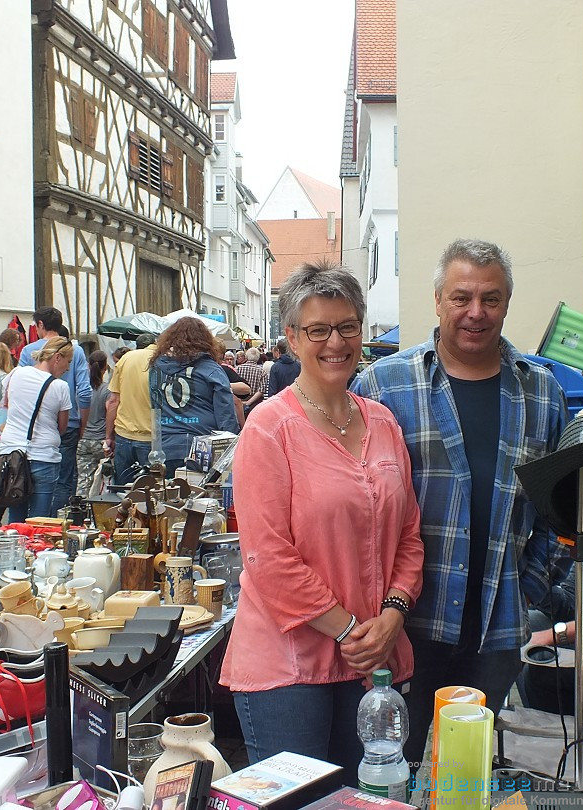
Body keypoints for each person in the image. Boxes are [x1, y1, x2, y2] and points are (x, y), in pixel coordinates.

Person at [352, 238, 568, 767]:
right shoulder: (383, 385)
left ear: (507, 303)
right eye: (461, 297)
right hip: (405, 622)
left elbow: (559, 507)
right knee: (390, 767)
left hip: (496, 628)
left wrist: (530, 585)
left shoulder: (542, 391)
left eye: (491, 299)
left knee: (468, 772)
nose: (477, 312)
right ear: (437, 301)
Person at [221, 260, 423, 778]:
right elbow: (267, 557)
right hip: (289, 668)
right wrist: (355, 632)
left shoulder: (382, 422)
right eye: (318, 330)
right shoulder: (269, 429)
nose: (336, 342)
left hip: (372, 658)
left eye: (347, 326)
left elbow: (408, 535)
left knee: (369, 795)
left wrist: (393, 616)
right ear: (291, 338)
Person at [18, 306, 92, 513]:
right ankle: (57, 526)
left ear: (40, 325)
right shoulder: (75, 351)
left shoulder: (28, 351)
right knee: (64, 481)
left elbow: (22, 389)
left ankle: (30, 524)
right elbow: (84, 392)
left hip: (33, 426)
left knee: (27, 478)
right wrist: (82, 425)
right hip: (67, 423)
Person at [149, 318, 240, 476]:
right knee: (202, 497)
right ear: (204, 340)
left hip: (165, 446)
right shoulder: (211, 369)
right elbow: (226, 412)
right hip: (203, 448)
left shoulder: (157, 368)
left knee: (167, 496)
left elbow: (155, 407)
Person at [0, 337, 74, 522]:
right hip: (43, 456)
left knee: (15, 518)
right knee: (39, 521)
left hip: (12, 454)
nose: (68, 368)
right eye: (68, 362)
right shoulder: (59, 386)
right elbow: (62, 427)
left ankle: (15, 549)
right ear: (57, 357)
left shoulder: (15, 374)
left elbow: (6, 407)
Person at [106, 337, 160, 484]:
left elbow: (113, 401)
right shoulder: (163, 359)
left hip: (124, 433)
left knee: (121, 490)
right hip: (152, 437)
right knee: (150, 491)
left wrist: (108, 436)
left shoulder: (126, 359)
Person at [76, 350, 109, 497]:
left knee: (83, 481)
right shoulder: (107, 390)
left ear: (88, 366)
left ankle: (80, 511)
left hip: (84, 440)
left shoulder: (82, 389)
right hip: (101, 440)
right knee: (103, 483)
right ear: (105, 367)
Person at [235, 347, 268, 413]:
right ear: (258, 358)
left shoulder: (237, 369)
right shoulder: (262, 372)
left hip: (238, 401)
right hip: (255, 404)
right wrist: (248, 402)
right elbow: (261, 391)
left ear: (246, 357)